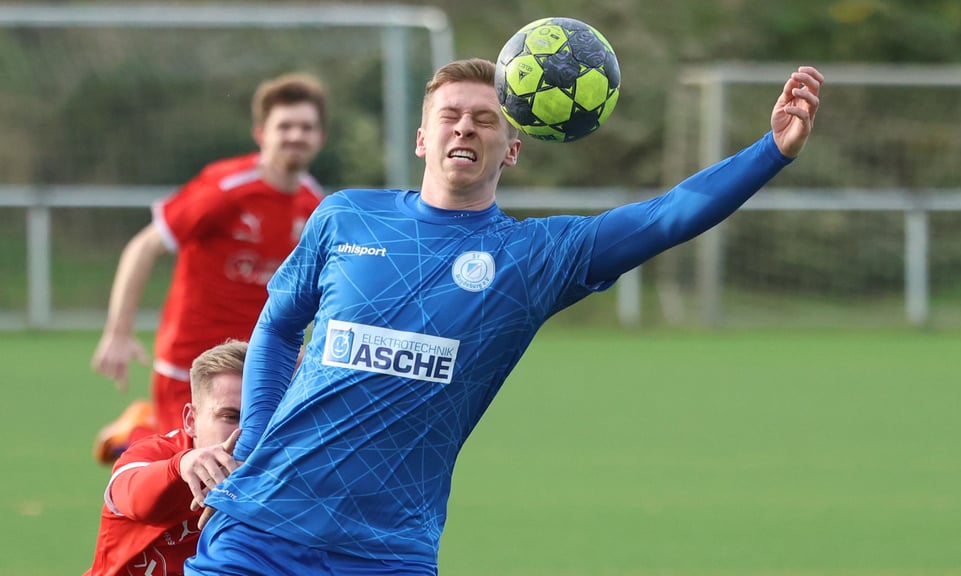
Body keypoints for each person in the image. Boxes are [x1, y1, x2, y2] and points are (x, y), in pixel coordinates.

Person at [185, 58, 824, 576]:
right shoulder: (346, 215)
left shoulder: (534, 257)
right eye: (450, 116)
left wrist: (771, 151)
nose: (464, 128)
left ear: (512, 148)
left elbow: (668, 215)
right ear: (422, 137)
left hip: (386, 551)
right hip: (260, 529)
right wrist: (259, 446)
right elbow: (275, 324)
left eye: (485, 120)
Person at [90, 72, 328, 463]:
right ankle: (138, 433)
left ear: (320, 137)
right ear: (260, 133)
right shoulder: (225, 188)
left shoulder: (313, 204)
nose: (296, 136)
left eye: (307, 127)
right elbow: (143, 246)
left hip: (259, 360)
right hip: (190, 359)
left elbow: (312, 291)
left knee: (252, 466)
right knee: (190, 467)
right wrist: (118, 332)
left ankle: (141, 431)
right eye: (285, 126)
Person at [85, 339, 246, 576]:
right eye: (230, 417)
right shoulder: (154, 456)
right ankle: (134, 429)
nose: (246, 431)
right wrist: (179, 467)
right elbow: (132, 495)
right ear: (191, 420)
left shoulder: (277, 461)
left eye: (257, 416)